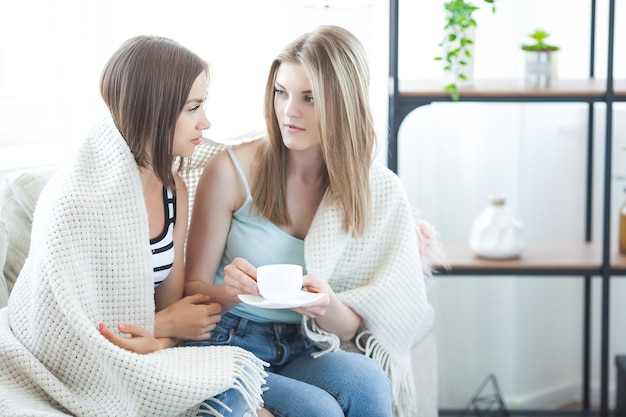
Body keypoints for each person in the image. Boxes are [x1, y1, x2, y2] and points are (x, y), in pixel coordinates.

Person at [0, 35, 268, 417]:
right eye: (193, 108)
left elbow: (172, 311)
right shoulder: (74, 202)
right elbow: (58, 334)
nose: (205, 122)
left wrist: (165, 333)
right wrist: (160, 326)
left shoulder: (174, 190)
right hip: (56, 362)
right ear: (153, 111)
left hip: (148, 353)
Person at [184, 25, 434, 417]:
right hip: (229, 341)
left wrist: (326, 303)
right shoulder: (232, 169)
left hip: (304, 342)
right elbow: (192, 289)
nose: (288, 111)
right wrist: (233, 291)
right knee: (319, 410)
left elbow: (353, 330)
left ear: (344, 104)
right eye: (281, 92)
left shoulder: (372, 190)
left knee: (368, 382)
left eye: (309, 98)